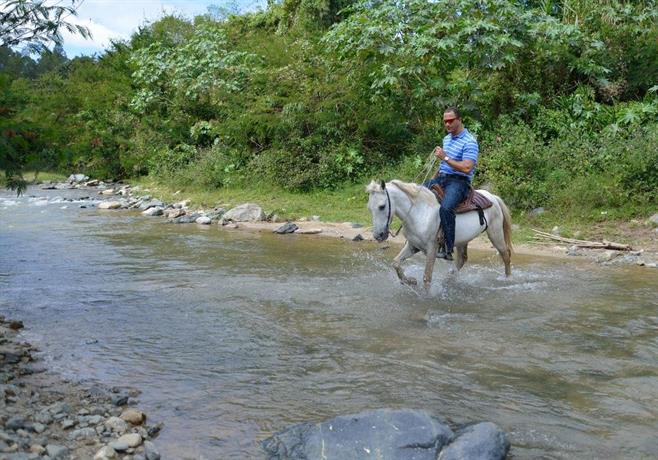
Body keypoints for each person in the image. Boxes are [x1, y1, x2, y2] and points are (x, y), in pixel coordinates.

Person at [423, 107, 479, 261]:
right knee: (417, 194)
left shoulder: (470, 141)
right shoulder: (447, 139)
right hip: (442, 177)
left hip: (459, 181)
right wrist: (433, 179)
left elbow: (467, 168)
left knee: (446, 208)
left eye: (451, 121)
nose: (447, 124)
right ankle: (419, 236)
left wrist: (445, 157)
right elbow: (443, 165)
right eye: (445, 121)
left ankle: (448, 248)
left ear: (459, 120)